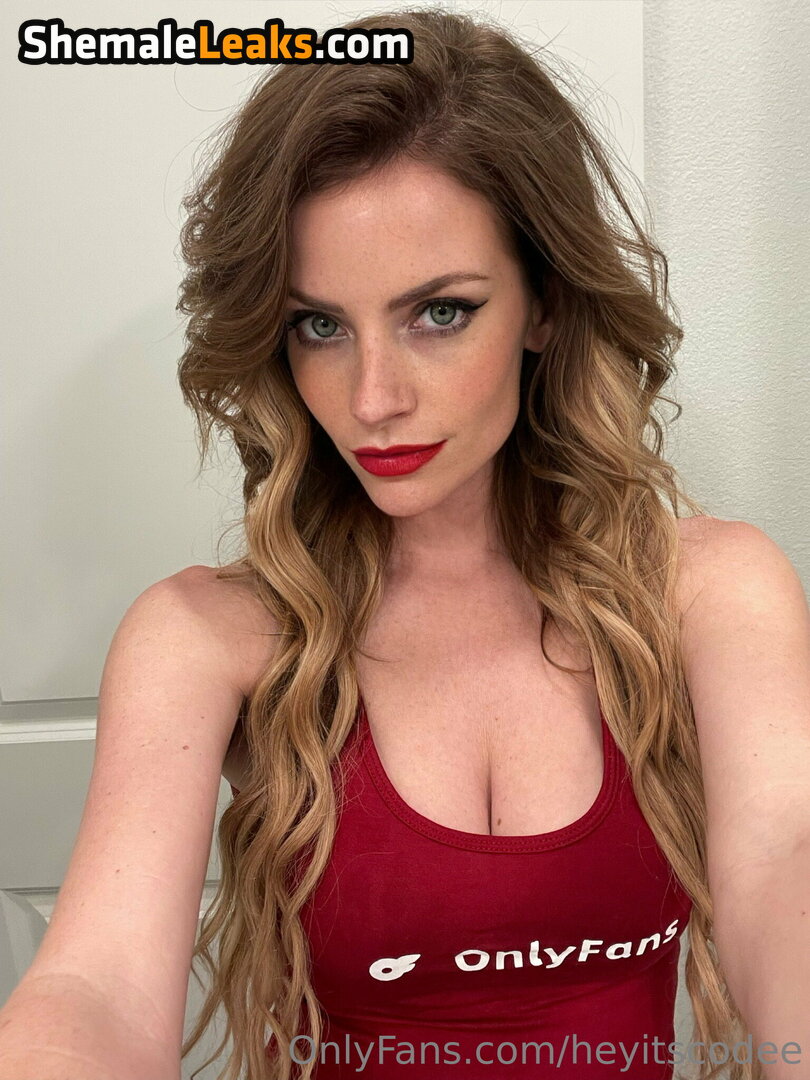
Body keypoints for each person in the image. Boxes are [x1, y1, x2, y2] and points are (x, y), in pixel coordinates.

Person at [1, 8, 808, 1080]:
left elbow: (786, 873)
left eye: (440, 312)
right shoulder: (206, 638)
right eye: (320, 325)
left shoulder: (711, 594)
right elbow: (96, 988)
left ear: (544, 305)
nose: (372, 398)